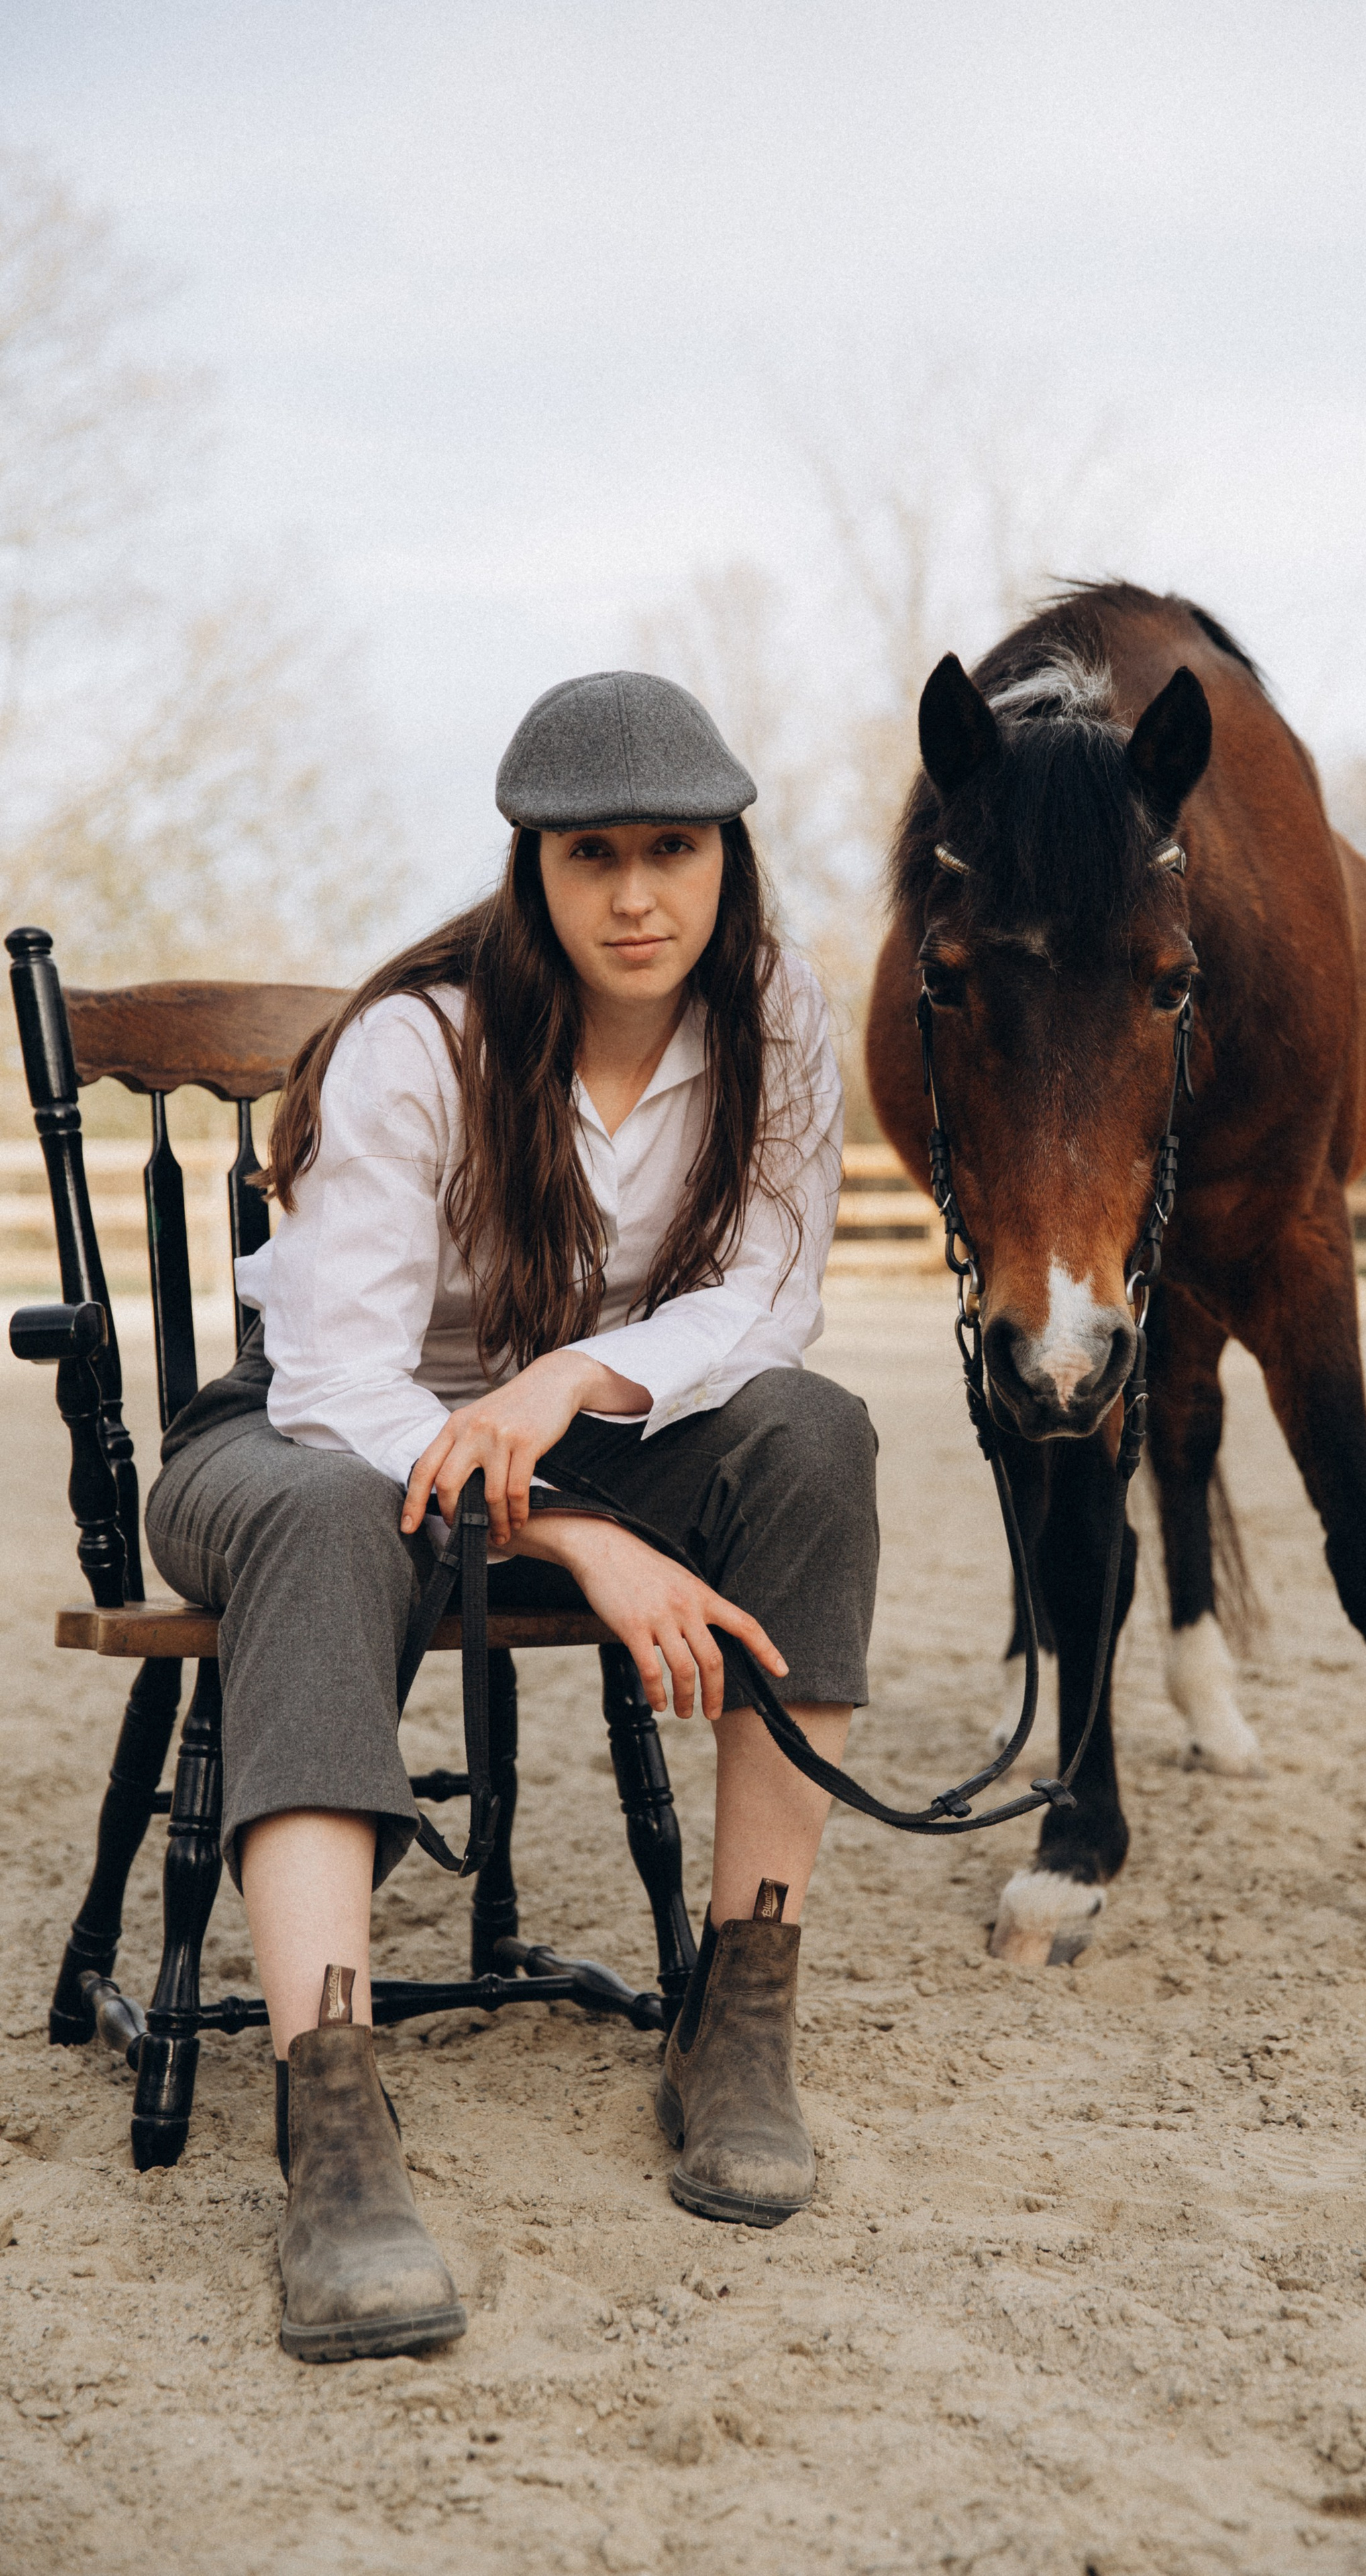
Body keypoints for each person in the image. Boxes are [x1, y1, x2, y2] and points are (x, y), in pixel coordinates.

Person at [146, 672, 878, 2363]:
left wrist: (569, 1388)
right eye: (591, 854)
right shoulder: (424, 1041)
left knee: (814, 1438)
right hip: (317, 1436)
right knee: (335, 1517)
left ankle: (741, 2013)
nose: (637, 895)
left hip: (586, 1425)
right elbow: (338, 1381)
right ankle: (330, 2118)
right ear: (528, 870)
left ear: (727, 856)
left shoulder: (770, 1014)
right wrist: (570, 1527)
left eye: (674, 849)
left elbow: (767, 1300)